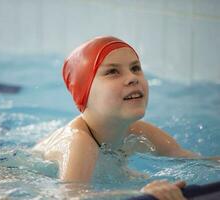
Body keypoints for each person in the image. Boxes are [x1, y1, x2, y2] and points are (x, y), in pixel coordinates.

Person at [33, 36, 199, 200]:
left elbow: (193, 161)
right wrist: (140, 195)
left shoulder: (139, 131)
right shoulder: (78, 142)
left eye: (135, 68)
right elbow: (70, 197)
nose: (133, 78)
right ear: (85, 93)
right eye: (112, 72)